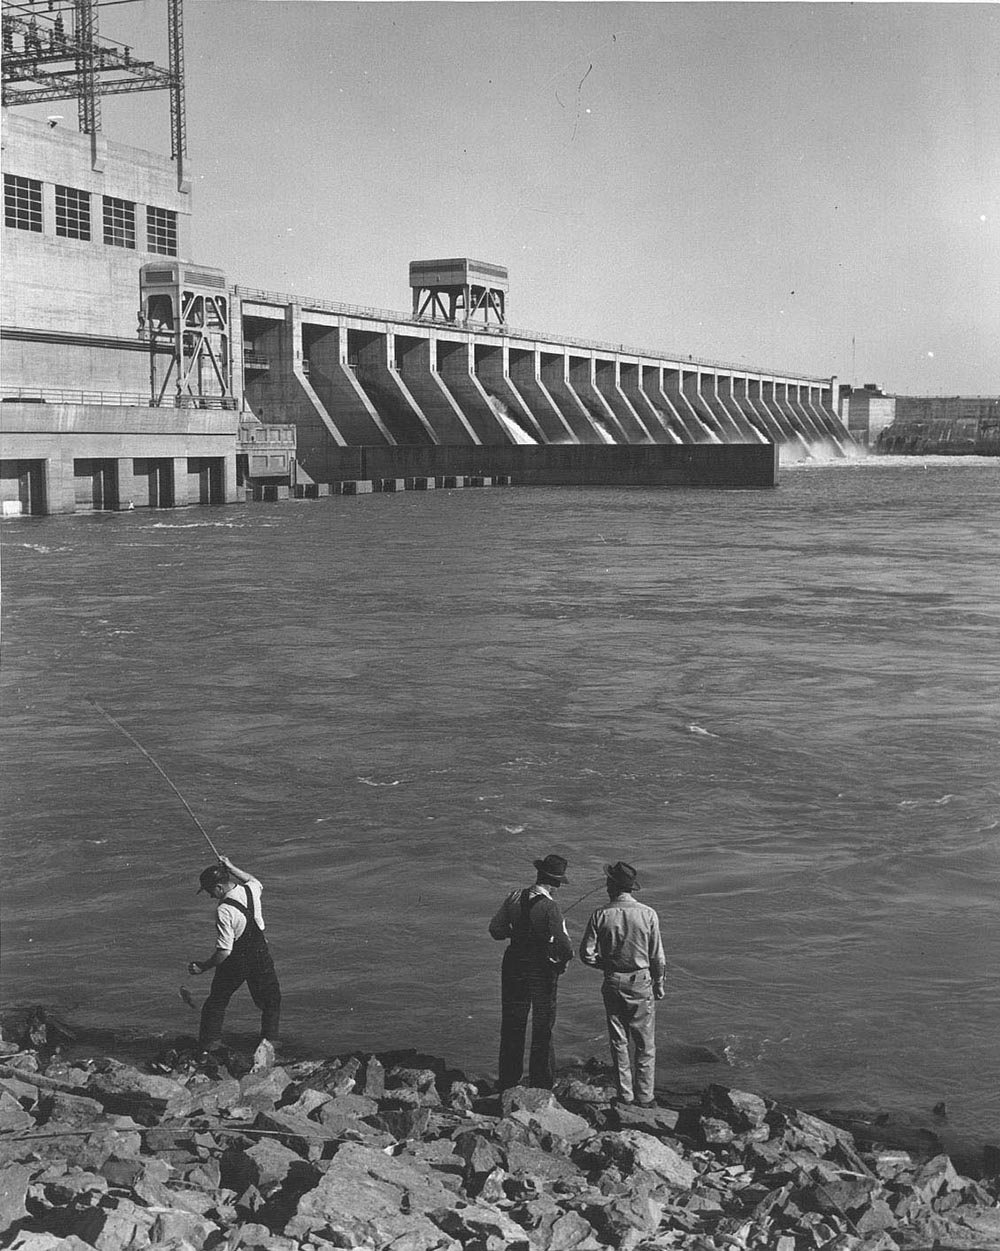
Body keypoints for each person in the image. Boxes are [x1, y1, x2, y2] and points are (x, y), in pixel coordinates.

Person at [579, 861, 665, 1107]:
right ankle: (645, 1096)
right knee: (645, 1042)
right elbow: (657, 956)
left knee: (619, 1040)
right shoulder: (648, 914)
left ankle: (625, 1095)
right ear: (630, 888)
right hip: (641, 980)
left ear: (611, 886)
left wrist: (604, 965)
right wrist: (659, 983)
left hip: (613, 979)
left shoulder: (600, 914)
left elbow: (586, 954)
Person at [489, 853, 575, 1090]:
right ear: (556, 882)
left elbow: (495, 930)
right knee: (542, 1025)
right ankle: (542, 1081)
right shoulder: (551, 907)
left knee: (513, 1023)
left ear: (538, 874)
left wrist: (515, 933)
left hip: (514, 962)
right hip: (540, 967)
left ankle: (508, 1079)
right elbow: (565, 947)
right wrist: (562, 962)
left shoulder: (515, 896)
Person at [188, 854, 281, 1052]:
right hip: (261, 956)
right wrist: (231, 867)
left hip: (236, 961)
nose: (211, 896)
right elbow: (251, 879)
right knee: (271, 1001)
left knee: (217, 1002)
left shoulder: (224, 910)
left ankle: (209, 1045)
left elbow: (224, 952)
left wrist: (202, 967)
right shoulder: (251, 890)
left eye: (210, 891)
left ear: (219, 888)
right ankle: (271, 1043)